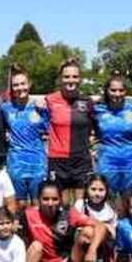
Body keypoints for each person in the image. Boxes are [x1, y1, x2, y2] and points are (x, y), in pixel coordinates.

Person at [21, 180, 120, 262]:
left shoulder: (68, 214)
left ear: (61, 199)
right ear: (38, 199)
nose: (50, 203)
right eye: (45, 199)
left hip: (67, 260)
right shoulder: (28, 215)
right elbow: (19, 243)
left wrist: (92, 250)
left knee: (89, 232)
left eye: (55, 199)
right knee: (40, 250)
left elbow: (100, 226)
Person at [44, 58, 95, 205]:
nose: (70, 80)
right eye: (66, 77)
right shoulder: (49, 100)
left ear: (80, 79)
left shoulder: (88, 102)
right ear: (60, 79)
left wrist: (93, 142)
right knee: (62, 206)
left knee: (81, 206)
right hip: (58, 161)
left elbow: (97, 127)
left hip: (81, 160)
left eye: (74, 76)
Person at [1, 64, 48, 204]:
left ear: (29, 84)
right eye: (15, 85)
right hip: (16, 166)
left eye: (23, 84)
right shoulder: (5, 109)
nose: (20, 88)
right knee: (19, 206)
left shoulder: (40, 108)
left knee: (37, 205)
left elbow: (49, 131)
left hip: (37, 165)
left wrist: (44, 112)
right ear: (11, 88)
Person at [94, 75, 132, 197]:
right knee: (108, 197)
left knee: (131, 198)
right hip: (107, 160)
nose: (117, 93)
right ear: (107, 91)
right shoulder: (98, 110)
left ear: (125, 91)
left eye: (121, 90)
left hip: (131, 161)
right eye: (113, 90)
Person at [73, 174, 119, 262]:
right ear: (86, 189)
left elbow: (113, 238)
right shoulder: (80, 205)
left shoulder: (110, 212)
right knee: (88, 231)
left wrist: (113, 259)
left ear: (106, 191)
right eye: (93, 189)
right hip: (79, 247)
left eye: (101, 190)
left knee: (105, 232)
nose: (97, 194)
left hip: (103, 250)